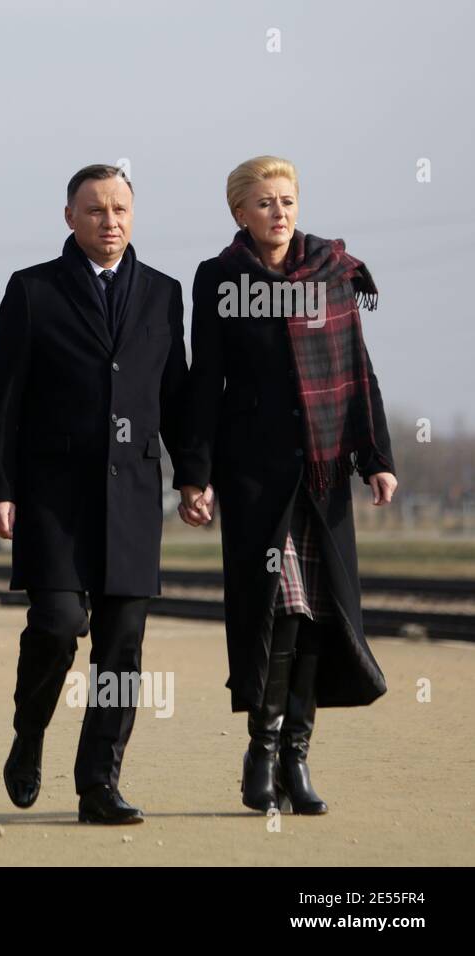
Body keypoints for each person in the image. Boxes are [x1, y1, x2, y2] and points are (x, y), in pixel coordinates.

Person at [174, 155, 398, 815]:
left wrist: (376, 458)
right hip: (254, 479)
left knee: (316, 619)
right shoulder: (219, 278)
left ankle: (295, 760)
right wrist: (195, 475)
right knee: (279, 613)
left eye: (288, 201)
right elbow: (204, 380)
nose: (279, 212)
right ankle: (262, 753)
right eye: (265, 201)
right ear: (240, 211)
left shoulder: (333, 274)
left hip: (324, 475)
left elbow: (357, 368)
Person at [0, 164, 189, 824]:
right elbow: (3, 398)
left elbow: (174, 393)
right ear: (70, 217)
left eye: (121, 208)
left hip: (133, 499)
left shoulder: (162, 292)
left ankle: (99, 782)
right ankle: (30, 731)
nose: (110, 221)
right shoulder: (33, 290)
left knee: (122, 647)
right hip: (53, 499)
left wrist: (196, 474)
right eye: (95, 210)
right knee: (59, 625)